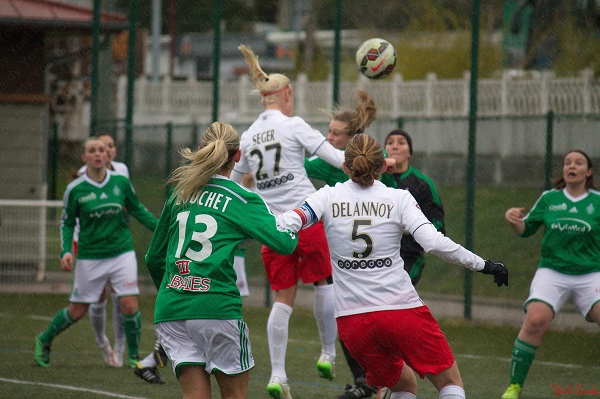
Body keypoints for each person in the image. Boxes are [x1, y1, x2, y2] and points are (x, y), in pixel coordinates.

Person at [276, 133, 509, 399]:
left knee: (403, 386)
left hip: (353, 324)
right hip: (401, 311)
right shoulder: (399, 198)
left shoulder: (326, 196)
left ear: (344, 167)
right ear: (384, 166)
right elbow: (434, 242)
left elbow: (288, 222)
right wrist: (484, 265)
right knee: (449, 382)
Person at [145, 122, 298, 399]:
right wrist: (297, 218)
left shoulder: (181, 191)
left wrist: (176, 289)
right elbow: (284, 244)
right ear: (238, 156)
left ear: (202, 149)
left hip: (171, 310)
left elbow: (154, 257)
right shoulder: (241, 198)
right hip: (216, 307)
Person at [230, 44, 347, 399]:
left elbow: (233, 183)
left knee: (283, 297)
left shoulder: (248, 136)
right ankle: (327, 352)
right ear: (285, 95)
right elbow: (336, 158)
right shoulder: (294, 124)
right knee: (324, 283)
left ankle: (278, 375)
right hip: (305, 218)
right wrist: (371, 160)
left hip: (271, 227)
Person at [34, 136, 158, 370]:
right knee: (77, 310)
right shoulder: (75, 189)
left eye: (101, 150)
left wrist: (160, 229)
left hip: (121, 252)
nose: (98, 154)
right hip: (90, 256)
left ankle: (133, 357)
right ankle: (44, 339)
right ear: (84, 157)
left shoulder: (120, 182)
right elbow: (67, 223)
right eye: (92, 151)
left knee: (129, 304)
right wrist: (65, 251)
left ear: (108, 155)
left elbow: (137, 209)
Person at [304, 89, 395, 399]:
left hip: (378, 257)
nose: (329, 137)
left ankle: (383, 379)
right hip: (344, 254)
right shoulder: (323, 164)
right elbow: (295, 171)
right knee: (344, 319)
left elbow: (393, 197)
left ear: (351, 137)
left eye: (336, 133)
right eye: (328, 131)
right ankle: (366, 382)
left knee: (376, 322)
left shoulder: (373, 168)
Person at [500, 149, 600, 399]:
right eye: (567, 163)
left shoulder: (597, 202)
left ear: (588, 172)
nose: (571, 166)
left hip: (590, 274)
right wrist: (514, 221)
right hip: (553, 272)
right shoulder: (549, 199)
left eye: (578, 163)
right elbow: (526, 229)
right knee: (535, 319)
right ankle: (514, 387)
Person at [385, 129, 445, 285]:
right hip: (377, 254)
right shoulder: (375, 181)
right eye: (390, 143)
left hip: (408, 256)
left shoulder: (422, 184)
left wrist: (412, 227)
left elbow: (437, 225)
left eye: (401, 143)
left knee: (396, 293)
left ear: (409, 153)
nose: (395, 147)